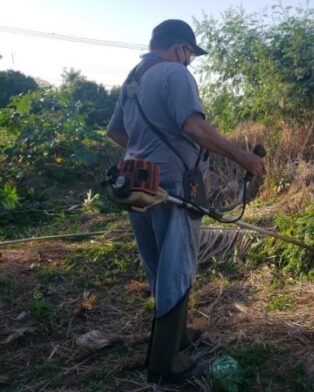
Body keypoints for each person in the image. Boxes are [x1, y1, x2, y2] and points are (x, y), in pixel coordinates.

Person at [106, 19, 264, 384]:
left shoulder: (135, 76)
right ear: (180, 49)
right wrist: (245, 158)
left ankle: (175, 335)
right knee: (177, 267)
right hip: (174, 187)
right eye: (190, 53)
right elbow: (194, 127)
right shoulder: (176, 74)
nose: (190, 60)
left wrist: (143, 154)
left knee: (158, 265)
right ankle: (164, 364)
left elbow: (116, 131)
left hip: (136, 184)